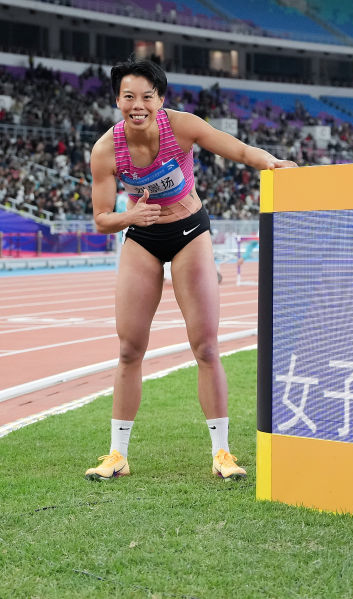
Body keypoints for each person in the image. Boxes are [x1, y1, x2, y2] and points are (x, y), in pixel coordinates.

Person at [85, 56, 296, 481]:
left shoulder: (181, 127)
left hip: (189, 233)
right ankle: (117, 455)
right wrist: (131, 217)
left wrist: (271, 162)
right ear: (118, 101)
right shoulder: (106, 150)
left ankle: (222, 454)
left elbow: (237, 149)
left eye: (147, 96)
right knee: (129, 349)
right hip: (142, 237)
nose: (138, 105)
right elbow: (102, 219)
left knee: (206, 346)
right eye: (129, 97)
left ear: (160, 99)